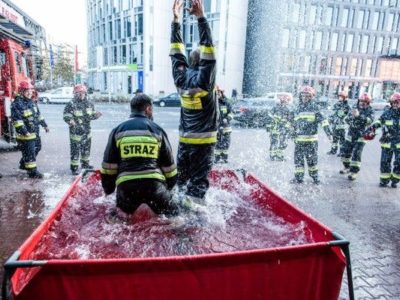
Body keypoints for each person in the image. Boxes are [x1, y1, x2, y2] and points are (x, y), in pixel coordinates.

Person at [170, 0, 217, 206]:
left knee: (181, 180)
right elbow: (209, 50)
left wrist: (176, 20)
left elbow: (176, 53)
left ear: (189, 63)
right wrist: (201, 18)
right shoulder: (205, 81)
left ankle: (176, 208)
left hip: (185, 141)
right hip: (204, 144)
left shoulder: (181, 79)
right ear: (204, 64)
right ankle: (193, 222)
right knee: (198, 185)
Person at [100, 94, 179, 216]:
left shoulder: (118, 130)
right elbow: (169, 167)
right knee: (175, 216)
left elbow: (109, 166)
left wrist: (109, 190)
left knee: (118, 220)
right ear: (148, 109)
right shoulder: (157, 130)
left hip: (126, 188)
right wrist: (168, 189)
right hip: (154, 187)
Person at [291, 86, 331, 184]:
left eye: (307, 96)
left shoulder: (315, 108)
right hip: (299, 141)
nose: (304, 97)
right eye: (303, 95)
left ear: (312, 97)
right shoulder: (298, 108)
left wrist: (329, 133)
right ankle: (298, 178)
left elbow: (323, 121)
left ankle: (315, 178)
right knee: (298, 160)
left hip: (311, 141)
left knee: (312, 161)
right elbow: (293, 123)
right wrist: (291, 131)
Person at [11, 81, 49, 178]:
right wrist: (25, 132)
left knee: (37, 148)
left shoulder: (32, 102)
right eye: (26, 91)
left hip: (34, 133)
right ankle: (32, 172)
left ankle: (24, 163)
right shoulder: (17, 104)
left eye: (30, 90)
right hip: (25, 135)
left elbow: (38, 116)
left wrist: (45, 125)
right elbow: (17, 120)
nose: (29, 93)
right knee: (30, 153)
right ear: (21, 91)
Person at [63, 84, 102, 175]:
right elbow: (66, 115)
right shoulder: (71, 104)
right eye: (79, 93)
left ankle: (85, 165)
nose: (81, 95)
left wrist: (96, 115)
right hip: (76, 133)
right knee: (75, 152)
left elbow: (91, 115)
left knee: (86, 150)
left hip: (87, 132)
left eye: (83, 93)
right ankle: (74, 168)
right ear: (75, 93)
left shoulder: (89, 103)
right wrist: (70, 120)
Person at [365, 92, 400, 188]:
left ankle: (395, 180)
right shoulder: (387, 113)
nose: (395, 105)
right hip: (387, 142)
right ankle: (384, 180)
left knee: (399, 163)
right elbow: (379, 121)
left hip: (399, 143)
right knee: (385, 162)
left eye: (397, 103)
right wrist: (372, 128)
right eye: (393, 103)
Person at [340, 92, 374, 181]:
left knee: (356, 153)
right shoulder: (354, 108)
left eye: (365, 102)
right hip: (351, 134)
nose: (362, 103)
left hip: (362, 136)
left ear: (368, 103)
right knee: (344, 152)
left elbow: (369, 121)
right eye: (361, 101)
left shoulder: (370, 111)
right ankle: (347, 167)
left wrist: (359, 116)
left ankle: (354, 172)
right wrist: (351, 120)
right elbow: (346, 119)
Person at [266, 94, 293, 161]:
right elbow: (269, 118)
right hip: (276, 129)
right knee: (274, 143)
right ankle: (273, 155)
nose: (285, 103)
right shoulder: (275, 108)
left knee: (282, 143)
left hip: (282, 130)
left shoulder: (287, 110)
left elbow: (290, 120)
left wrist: (289, 128)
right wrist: (269, 126)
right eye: (284, 101)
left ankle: (279, 155)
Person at [327, 91, 351, 155]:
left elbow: (344, 115)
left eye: (341, 97)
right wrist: (331, 119)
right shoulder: (336, 104)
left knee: (342, 140)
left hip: (342, 126)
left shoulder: (347, 106)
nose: (339, 98)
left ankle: (342, 152)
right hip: (335, 125)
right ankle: (333, 150)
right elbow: (333, 113)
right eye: (339, 96)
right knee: (334, 140)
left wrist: (340, 114)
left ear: (345, 98)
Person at [215, 86, 234, 163]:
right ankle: (217, 158)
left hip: (226, 128)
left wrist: (228, 118)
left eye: (219, 92)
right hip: (216, 128)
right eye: (216, 93)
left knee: (226, 144)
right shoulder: (213, 102)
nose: (217, 94)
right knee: (217, 144)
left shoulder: (226, 102)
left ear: (222, 93)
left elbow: (232, 112)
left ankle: (224, 158)